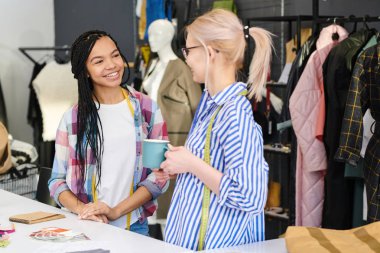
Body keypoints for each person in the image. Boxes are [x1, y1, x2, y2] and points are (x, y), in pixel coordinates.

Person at [155, 9, 271, 250]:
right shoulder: (212, 106)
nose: (185, 58)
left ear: (209, 52)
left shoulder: (234, 113)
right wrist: (183, 167)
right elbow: (213, 169)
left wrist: (191, 164)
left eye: (188, 50)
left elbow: (249, 195)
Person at [48, 30, 169, 236]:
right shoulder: (73, 119)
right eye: (98, 61)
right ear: (84, 70)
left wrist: (115, 212)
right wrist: (84, 210)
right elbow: (56, 182)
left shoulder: (147, 109)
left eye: (115, 55)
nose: (112, 65)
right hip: (84, 227)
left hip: (134, 228)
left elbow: (159, 176)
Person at [142, 19, 202, 220]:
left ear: (169, 36)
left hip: (174, 139)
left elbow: (197, 106)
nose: (152, 39)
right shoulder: (154, 65)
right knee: (151, 194)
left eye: (157, 34)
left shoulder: (181, 68)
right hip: (152, 139)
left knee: (170, 204)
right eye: (150, 34)